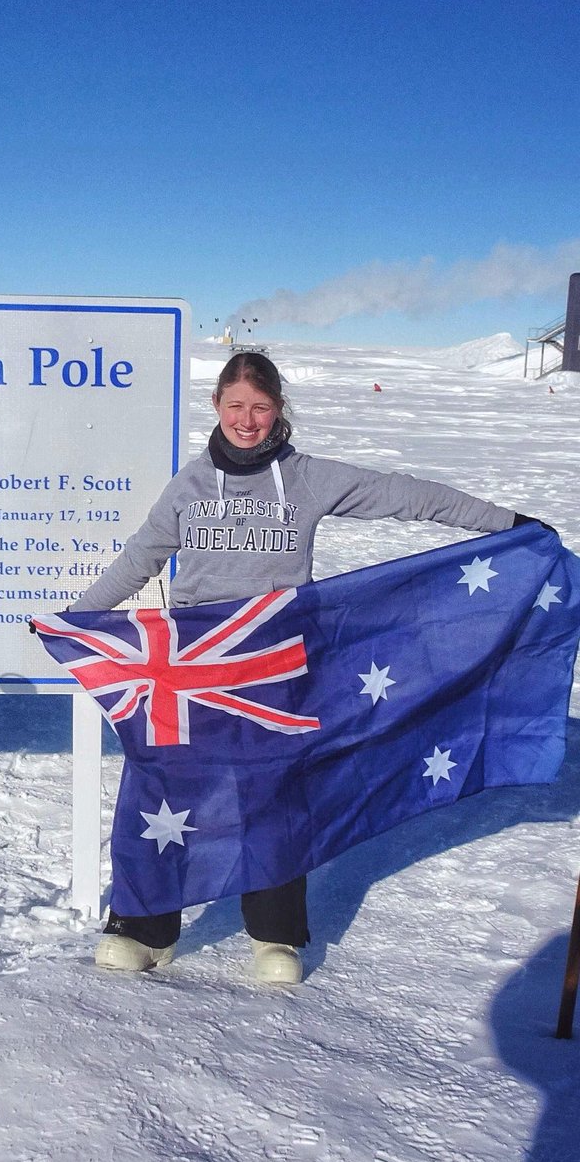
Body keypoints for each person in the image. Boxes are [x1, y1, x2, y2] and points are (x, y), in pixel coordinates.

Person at [67, 351, 542, 984]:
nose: (247, 420)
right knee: (168, 789)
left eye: (260, 407)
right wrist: (78, 617)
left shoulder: (309, 479)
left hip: (275, 667)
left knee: (274, 794)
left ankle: (275, 936)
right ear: (216, 407)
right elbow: (140, 558)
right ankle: (146, 929)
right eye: (235, 406)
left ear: (278, 411)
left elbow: (406, 495)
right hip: (191, 669)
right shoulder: (188, 487)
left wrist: (506, 525)